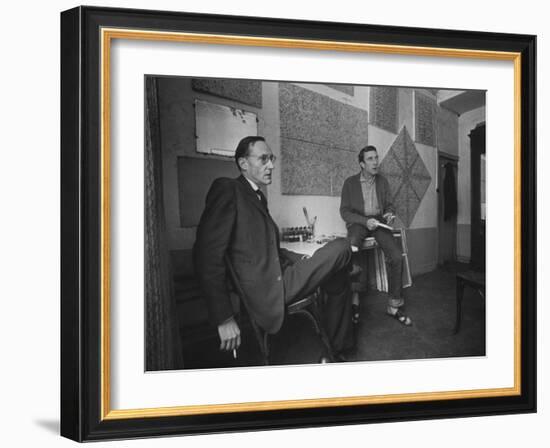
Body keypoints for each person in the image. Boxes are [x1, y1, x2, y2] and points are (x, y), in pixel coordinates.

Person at [194, 136, 355, 361]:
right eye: (263, 159)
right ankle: (333, 347)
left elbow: (270, 250)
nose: (271, 165)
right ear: (243, 164)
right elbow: (206, 256)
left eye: (272, 158)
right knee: (342, 246)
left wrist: (303, 258)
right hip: (268, 290)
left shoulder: (256, 197)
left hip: (280, 275)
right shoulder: (228, 189)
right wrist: (224, 317)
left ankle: (335, 349)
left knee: (338, 279)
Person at [340, 145, 412, 326]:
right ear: (362, 164)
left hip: (379, 222)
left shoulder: (382, 182)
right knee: (353, 247)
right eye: (370, 159)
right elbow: (345, 212)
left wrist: (389, 214)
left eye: (376, 158)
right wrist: (364, 222)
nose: (375, 162)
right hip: (359, 222)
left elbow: (389, 205)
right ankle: (355, 302)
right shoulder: (350, 183)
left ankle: (394, 306)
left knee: (396, 256)